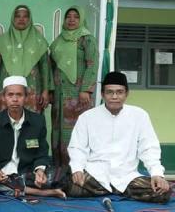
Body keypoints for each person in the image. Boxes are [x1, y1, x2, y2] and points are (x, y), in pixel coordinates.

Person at [66, 71, 171, 204]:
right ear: (103, 94)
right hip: (95, 175)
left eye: (119, 92)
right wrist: (77, 169)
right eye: (110, 92)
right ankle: (118, 191)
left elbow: (148, 147)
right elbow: (78, 147)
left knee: (162, 192)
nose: (114, 96)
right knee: (69, 185)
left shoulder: (139, 115)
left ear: (126, 94)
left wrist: (157, 173)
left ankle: (113, 190)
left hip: (127, 176)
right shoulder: (87, 117)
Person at [0, 76, 66, 198]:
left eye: (19, 95)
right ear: (4, 97)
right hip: (2, 173)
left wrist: (39, 171)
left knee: (59, 174)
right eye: (10, 95)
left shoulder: (38, 121)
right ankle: (42, 192)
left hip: (26, 172)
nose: (15, 99)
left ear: (26, 97)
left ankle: (12, 189)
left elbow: (41, 152)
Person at [50, 6, 98, 167]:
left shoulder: (87, 39)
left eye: (76, 17)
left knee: (76, 132)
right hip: (59, 94)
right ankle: (59, 169)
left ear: (81, 19)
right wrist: (51, 91)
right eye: (68, 16)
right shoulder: (58, 41)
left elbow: (92, 65)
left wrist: (86, 89)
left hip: (78, 94)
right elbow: (52, 67)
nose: (71, 20)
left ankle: (76, 170)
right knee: (57, 131)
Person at [0, 5, 50, 113]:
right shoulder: (2, 41)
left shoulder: (40, 41)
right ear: (13, 19)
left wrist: (46, 91)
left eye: (25, 16)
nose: (21, 19)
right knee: (5, 123)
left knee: (32, 123)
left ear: (29, 19)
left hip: (33, 90)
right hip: (6, 90)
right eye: (18, 16)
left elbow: (45, 68)